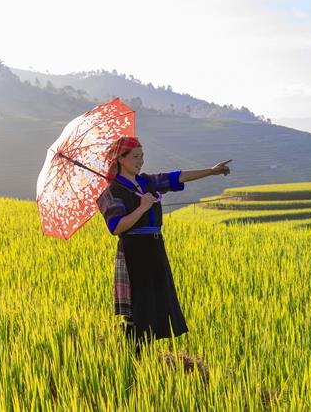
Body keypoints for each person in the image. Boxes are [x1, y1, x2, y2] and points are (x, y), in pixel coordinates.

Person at [96, 137, 232, 357]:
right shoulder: (112, 192)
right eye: (136, 156)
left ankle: (145, 357)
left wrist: (212, 171)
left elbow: (177, 176)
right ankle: (133, 359)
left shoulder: (146, 182)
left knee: (155, 305)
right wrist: (142, 208)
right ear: (121, 159)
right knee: (137, 310)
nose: (141, 161)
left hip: (155, 248)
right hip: (133, 252)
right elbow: (116, 227)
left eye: (142, 156)